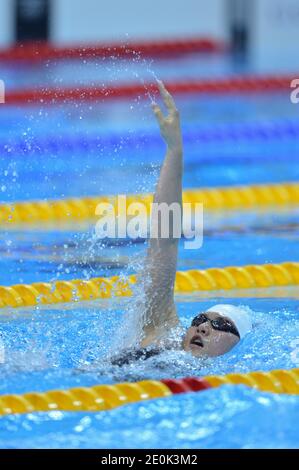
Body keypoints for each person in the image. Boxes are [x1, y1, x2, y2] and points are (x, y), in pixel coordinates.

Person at [110, 81, 252, 366]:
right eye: (201, 319)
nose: (203, 327)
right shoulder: (161, 330)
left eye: (221, 325)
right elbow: (164, 239)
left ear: (237, 346)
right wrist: (174, 150)